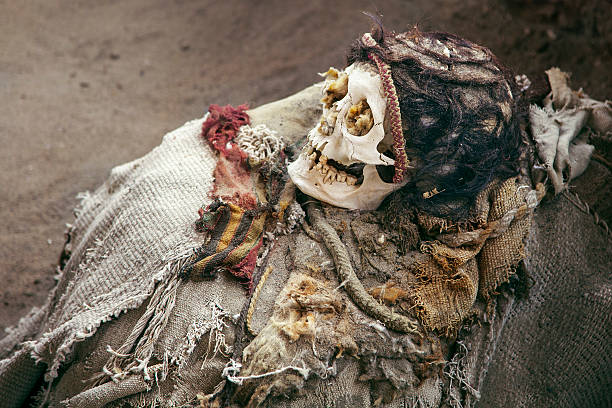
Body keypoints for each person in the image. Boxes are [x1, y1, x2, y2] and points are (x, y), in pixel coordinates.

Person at [1, 24, 610, 408]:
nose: (329, 129)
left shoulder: (440, 250)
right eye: (337, 94)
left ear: (415, 182)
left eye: (363, 123)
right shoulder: (308, 135)